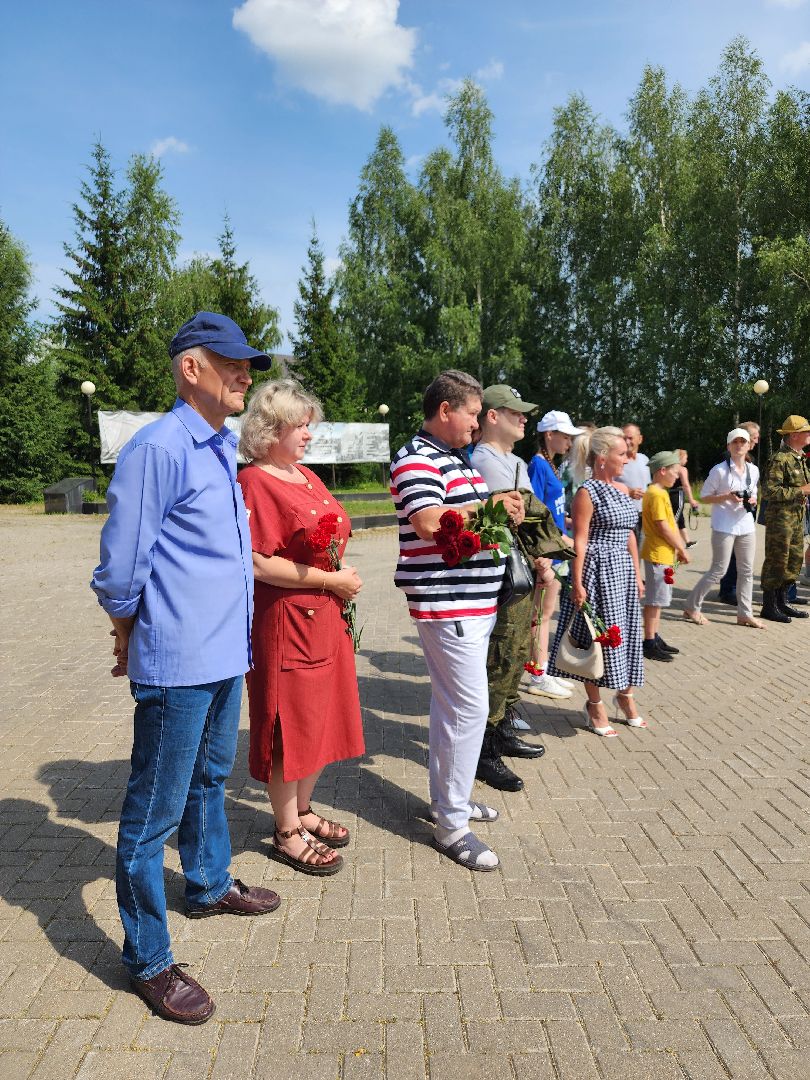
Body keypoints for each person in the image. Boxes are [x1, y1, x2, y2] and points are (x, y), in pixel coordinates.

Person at [90, 312, 282, 1026]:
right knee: (149, 817)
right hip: (177, 660)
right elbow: (119, 568)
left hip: (225, 653)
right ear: (189, 369)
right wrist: (126, 632)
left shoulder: (218, 448)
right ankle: (147, 957)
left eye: (249, 364)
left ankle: (204, 883)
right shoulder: (160, 448)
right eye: (231, 362)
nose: (246, 375)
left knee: (209, 779)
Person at [390, 370, 524, 871]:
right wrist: (490, 505)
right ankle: (450, 826)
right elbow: (428, 522)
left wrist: (494, 512)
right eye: (471, 411)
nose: (476, 421)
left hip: (472, 604)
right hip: (450, 606)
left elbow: (459, 515)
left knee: (453, 710)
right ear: (445, 410)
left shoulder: (452, 459)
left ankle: (453, 798)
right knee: (468, 711)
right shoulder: (417, 459)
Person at [236, 381, 365, 875]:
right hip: (287, 621)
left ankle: (304, 810)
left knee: (320, 716)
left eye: (310, 424)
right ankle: (286, 829)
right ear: (271, 429)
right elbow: (257, 562)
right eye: (300, 425)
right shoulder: (255, 481)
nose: (309, 434)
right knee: (287, 722)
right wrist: (333, 578)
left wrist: (335, 582)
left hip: (326, 618)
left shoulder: (305, 476)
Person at [469, 385, 565, 793]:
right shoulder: (484, 461)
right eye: (515, 412)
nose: (524, 418)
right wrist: (546, 545)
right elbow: (515, 517)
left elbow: (527, 517)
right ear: (492, 416)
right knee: (502, 654)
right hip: (501, 572)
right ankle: (483, 749)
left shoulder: (513, 460)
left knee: (518, 650)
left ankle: (503, 726)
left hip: (521, 566)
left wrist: (543, 557)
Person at [546, 427, 645, 737]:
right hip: (598, 572)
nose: (628, 459)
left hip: (624, 573)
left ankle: (625, 695)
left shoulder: (622, 489)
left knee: (627, 635)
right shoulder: (586, 492)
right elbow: (581, 540)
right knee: (597, 639)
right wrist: (577, 582)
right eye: (621, 454)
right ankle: (594, 704)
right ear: (602, 458)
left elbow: (629, 532)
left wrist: (638, 573)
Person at [683, 428, 763, 629]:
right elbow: (704, 497)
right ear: (728, 446)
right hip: (723, 525)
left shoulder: (753, 470)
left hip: (745, 524)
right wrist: (726, 496)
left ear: (748, 446)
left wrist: (752, 500)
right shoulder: (719, 470)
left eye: (743, 442)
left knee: (746, 571)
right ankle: (692, 606)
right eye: (735, 442)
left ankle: (745, 614)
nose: (739, 445)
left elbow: (753, 494)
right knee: (718, 570)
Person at [525, 410, 580, 701]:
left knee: (545, 615)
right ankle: (538, 674)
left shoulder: (550, 465)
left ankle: (543, 669)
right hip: (547, 554)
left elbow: (552, 509)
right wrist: (540, 553)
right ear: (549, 435)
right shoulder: (537, 464)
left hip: (556, 551)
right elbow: (531, 511)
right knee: (539, 616)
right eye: (565, 435)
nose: (569, 441)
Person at [639, 451, 690, 661]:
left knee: (659, 599)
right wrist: (682, 548)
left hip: (662, 553)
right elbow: (664, 527)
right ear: (662, 470)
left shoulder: (657, 492)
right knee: (654, 600)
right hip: (658, 553)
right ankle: (649, 641)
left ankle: (655, 636)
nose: (677, 476)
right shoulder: (657, 494)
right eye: (674, 471)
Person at [759, 415, 810, 623]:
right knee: (777, 561)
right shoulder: (780, 458)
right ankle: (768, 606)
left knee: (793, 559)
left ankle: (782, 603)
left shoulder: (798, 457)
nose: (809, 434)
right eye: (807, 431)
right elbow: (769, 492)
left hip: (796, 518)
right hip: (781, 519)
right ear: (795, 434)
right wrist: (802, 491)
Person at [717, 421, 760, 605]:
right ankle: (728, 590)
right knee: (732, 554)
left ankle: (732, 588)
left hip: (745, 513)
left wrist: (754, 498)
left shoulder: (749, 460)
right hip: (730, 515)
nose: (757, 441)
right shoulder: (728, 459)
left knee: (740, 555)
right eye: (755, 438)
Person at [670, 449, 699, 549]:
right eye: (685, 458)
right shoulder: (682, 469)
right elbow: (686, 485)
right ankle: (671, 542)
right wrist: (691, 500)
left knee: (680, 519)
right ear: (681, 458)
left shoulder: (670, 468)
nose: (686, 460)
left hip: (669, 494)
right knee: (674, 520)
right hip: (677, 495)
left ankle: (687, 541)